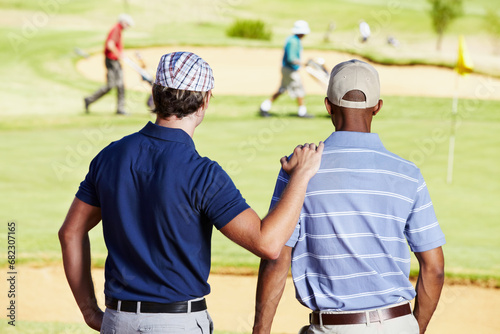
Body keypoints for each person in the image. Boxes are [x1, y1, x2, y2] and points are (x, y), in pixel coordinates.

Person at [59, 51, 324, 333]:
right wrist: (301, 175)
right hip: (176, 322)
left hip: (117, 320)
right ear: (205, 99)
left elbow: (70, 232)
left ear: (156, 93)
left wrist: (90, 312)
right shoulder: (203, 174)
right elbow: (268, 244)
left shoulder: (109, 157)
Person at [253, 59, 446, 334]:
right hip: (398, 325)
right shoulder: (408, 174)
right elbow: (434, 268)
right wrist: (414, 328)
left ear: (328, 106)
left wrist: (260, 330)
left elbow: (276, 258)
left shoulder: (299, 168)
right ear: (377, 107)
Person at [260, 20, 313, 118]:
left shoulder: (292, 39)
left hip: (286, 69)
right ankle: (302, 112)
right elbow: (291, 58)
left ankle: (264, 106)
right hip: (290, 70)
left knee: (282, 89)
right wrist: (303, 63)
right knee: (299, 88)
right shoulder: (293, 41)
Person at [84, 14, 134, 115]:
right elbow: (110, 45)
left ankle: (120, 109)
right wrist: (119, 55)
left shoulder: (118, 30)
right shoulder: (116, 29)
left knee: (120, 85)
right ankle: (89, 99)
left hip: (114, 60)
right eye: (127, 24)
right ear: (123, 22)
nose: (127, 27)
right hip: (112, 61)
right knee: (111, 85)